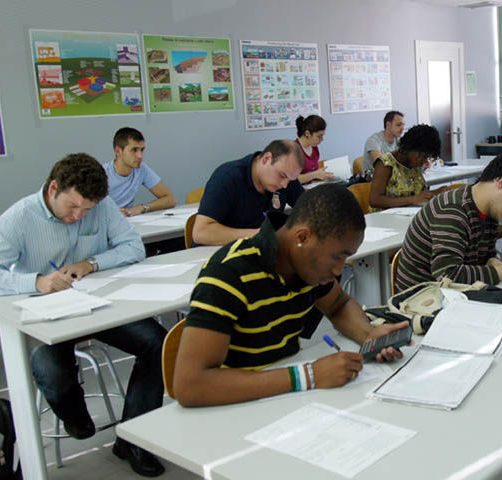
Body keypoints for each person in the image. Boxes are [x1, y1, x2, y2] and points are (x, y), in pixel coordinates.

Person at [0, 154, 166, 477]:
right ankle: (77, 419)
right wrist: (36, 282)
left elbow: (132, 248)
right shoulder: (19, 218)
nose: (79, 216)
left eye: (87, 211)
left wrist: (91, 263)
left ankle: (133, 439)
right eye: (72, 207)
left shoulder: (101, 206)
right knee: (52, 372)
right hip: (45, 316)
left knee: (158, 343)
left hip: (97, 307)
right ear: (53, 188)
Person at [173, 184, 407, 407]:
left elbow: (339, 305)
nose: (339, 270)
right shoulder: (228, 273)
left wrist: (369, 335)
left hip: (284, 396)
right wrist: (309, 375)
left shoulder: (306, 265)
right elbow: (190, 384)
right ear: (302, 237)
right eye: (337, 256)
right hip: (232, 407)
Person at [394, 152, 502, 292]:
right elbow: (448, 275)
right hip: (420, 303)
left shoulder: (489, 211)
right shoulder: (452, 210)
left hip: (454, 296)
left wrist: (492, 261)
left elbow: (481, 259)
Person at [192, 139, 305, 246]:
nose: (284, 185)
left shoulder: (287, 179)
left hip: (258, 253)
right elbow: (201, 232)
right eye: (282, 176)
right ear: (266, 159)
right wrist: (259, 234)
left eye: (290, 180)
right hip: (215, 254)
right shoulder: (227, 177)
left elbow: (312, 208)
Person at [369, 124, 449, 212]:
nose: (423, 160)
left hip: (410, 214)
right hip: (385, 219)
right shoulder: (385, 164)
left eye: (427, 157)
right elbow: (375, 200)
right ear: (409, 147)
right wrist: (413, 199)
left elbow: (419, 195)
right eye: (422, 156)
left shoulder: (415, 166)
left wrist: (436, 192)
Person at [104, 127, 176, 217]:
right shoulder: (101, 174)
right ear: (118, 151)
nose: (140, 156)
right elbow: (87, 209)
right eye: (134, 150)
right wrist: (113, 214)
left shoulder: (141, 169)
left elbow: (170, 199)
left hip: (127, 223)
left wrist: (143, 207)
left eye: (142, 150)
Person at [294, 115, 335, 185]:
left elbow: (314, 171)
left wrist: (322, 175)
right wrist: (315, 175)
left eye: (323, 135)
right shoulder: (293, 150)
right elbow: (292, 179)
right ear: (307, 134)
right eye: (319, 136)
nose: (322, 140)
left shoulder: (314, 148)